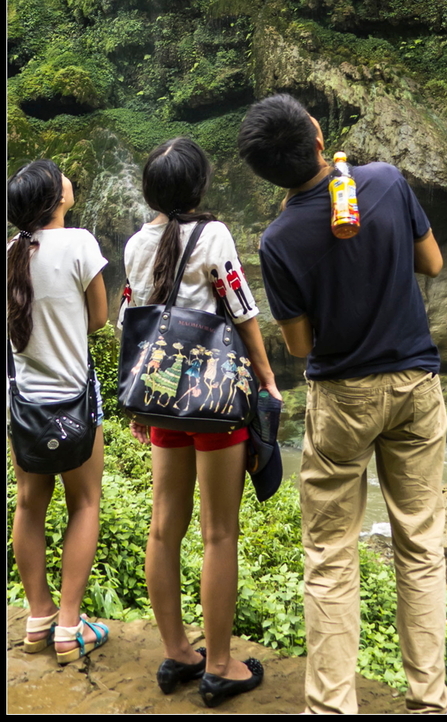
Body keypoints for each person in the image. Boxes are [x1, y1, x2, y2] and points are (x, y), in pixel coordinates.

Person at [238, 93, 447, 717]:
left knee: (330, 556)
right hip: (415, 385)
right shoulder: (384, 181)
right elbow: (432, 263)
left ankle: (331, 709)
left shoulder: (277, 239)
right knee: (420, 544)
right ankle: (429, 701)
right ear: (317, 134)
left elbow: (302, 346)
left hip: (342, 399)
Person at [119, 136, 278, 705]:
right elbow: (240, 307)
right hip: (212, 402)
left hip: (163, 398)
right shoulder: (213, 235)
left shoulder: (138, 242)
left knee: (164, 527)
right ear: (198, 185)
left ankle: (176, 654)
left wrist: (142, 400)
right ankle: (219, 664)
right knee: (219, 531)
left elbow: (129, 321)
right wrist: (264, 377)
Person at [7, 159, 110, 664]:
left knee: (29, 504)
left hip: (24, 405)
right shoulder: (81, 243)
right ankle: (70, 627)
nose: (69, 177)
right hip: (75, 401)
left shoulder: (9, 253)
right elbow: (99, 317)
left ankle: (37, 618)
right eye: (59, 176)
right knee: (85, 502)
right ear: (54, 198)